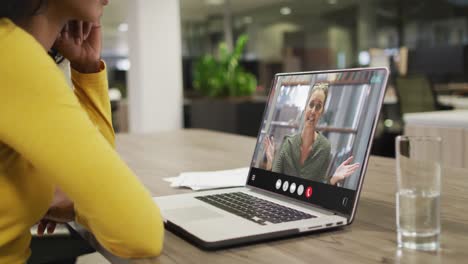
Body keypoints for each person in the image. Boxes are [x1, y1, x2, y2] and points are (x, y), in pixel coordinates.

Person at [0, 1, 164, 263]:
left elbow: (96, 177)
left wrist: (87, 68)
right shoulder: (10, 55)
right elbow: (140, 233)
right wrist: (76, 205)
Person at [264, 83, 360, 185]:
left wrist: (333, 179)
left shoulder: (324, 147)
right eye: (311, 104)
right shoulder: (288, 142)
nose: (313, 111)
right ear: (305, 108)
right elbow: (272, 183)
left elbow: (319, 190)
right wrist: (271, 161)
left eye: (318, 106)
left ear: (322, 112)